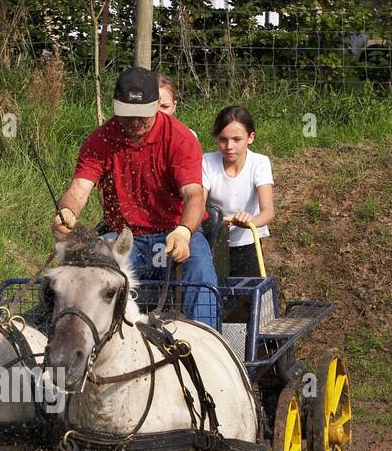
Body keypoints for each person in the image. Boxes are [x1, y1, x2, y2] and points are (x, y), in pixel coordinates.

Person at [51, 66, 220, 327]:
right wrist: (68, 212)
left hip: (176, 233)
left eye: (143, 115)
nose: (136, 123)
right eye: (128, 115)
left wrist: (184, 232)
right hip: (125, 237)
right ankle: (73, 339)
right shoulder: (100, 140)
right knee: (88, 270)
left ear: (155, 106)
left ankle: (207, 342)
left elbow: (194, 195)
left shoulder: (180, 138)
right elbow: (78, 190)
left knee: (199, 272)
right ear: (116, 107)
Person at [202, 106, 275, 278]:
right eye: (223, 140)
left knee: (247, 297)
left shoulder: (260, 163)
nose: (229, 146)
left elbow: (268, 211)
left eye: (236, 140)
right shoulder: (206, 162)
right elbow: (199, 202)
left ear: (250, 138)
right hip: (213, 242)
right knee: (212, 295)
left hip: (247, 241)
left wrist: (251, 221)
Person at [156, 74, 199, 139]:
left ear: (174, 107)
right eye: (152, 106)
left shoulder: (187, 137)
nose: (158, 112)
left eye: (165, 107)